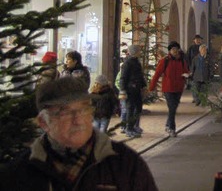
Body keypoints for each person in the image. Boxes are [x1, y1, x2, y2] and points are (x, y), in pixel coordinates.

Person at [0, 77, 158, 190]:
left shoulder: (124, 164)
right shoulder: (20, 172)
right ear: (43, 122)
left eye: (84, 109)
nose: (78, 119)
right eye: (65, 112)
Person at [149, 41, 190, 137]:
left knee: (174, 108)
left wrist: (186, 74)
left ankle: (168, 125)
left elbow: (186, 71)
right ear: (170, 51)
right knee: (172, 107)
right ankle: (172, 128)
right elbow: (157, 74)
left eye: (176, 49)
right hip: (168, 88)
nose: (175, 51)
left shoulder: (182, 60)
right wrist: (151, 87)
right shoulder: (165, 61)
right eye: (173, 49)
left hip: (179, 88)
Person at [119, 45, 146, 138]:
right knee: (130, 109)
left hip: (137, 89)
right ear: (134, 52)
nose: (140, 52)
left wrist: (143, 85)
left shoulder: (136, 62)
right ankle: (129, 128)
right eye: (138, 50)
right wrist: (123, 90)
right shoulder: (127, 63)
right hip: (130, 90)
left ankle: (133, 126)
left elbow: (140, 75)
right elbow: (123, 78)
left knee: (138, 108)